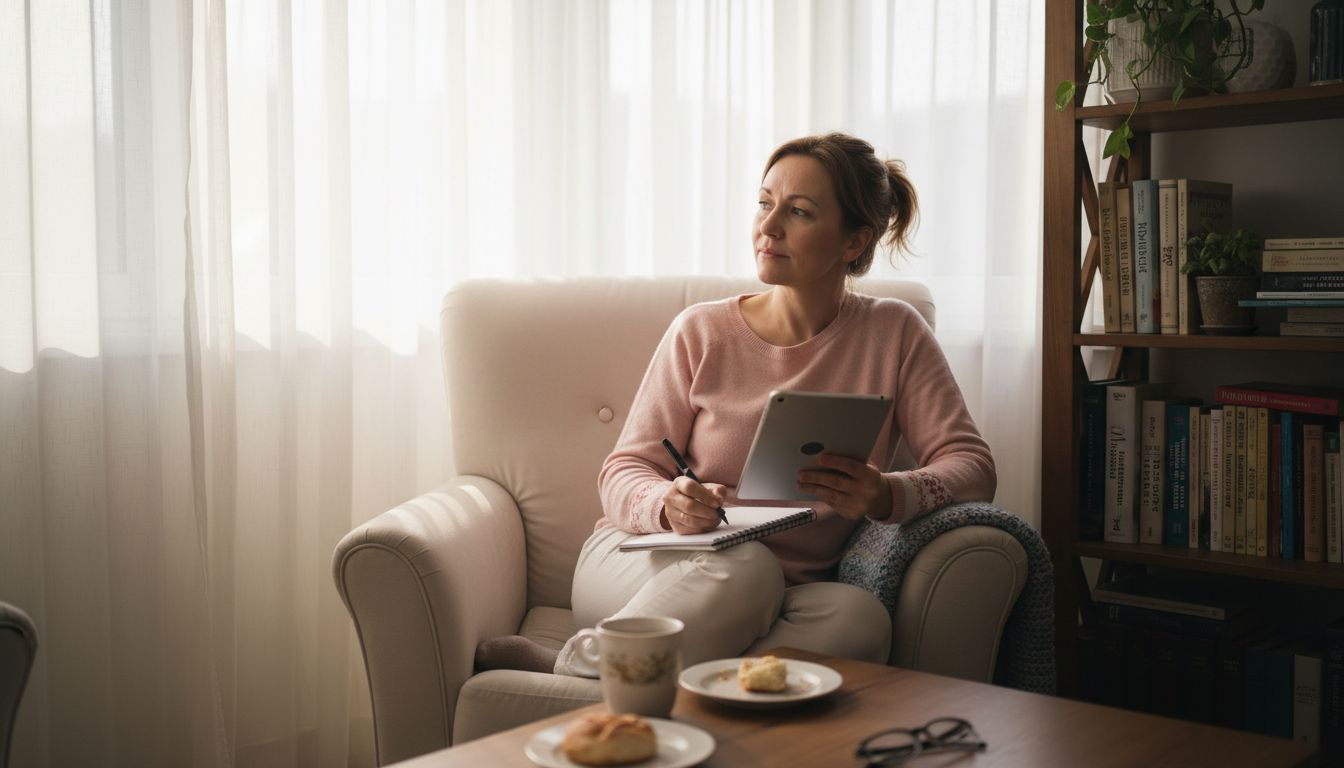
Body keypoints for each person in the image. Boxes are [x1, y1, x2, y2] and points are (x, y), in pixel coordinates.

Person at [475, 132, 996, 676]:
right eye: (765, 203)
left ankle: (605, 673)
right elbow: (623, 469)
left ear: (853, 242)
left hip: (787, 592)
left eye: (798, 211)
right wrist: (667, 504)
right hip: (650, 559)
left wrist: (888, 493)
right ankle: (582, 667)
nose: (768, 227)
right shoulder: (702, 331)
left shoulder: (895, 333)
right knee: (748, 567)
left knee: (860, 619)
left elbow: (974, 468)